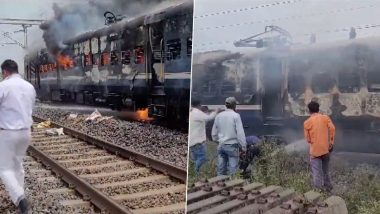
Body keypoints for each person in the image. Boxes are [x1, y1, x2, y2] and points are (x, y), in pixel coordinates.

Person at [0, 59, 36, 213]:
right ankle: (20, 198)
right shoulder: (29, 87)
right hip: (26, 132)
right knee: (17, 164)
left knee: (4, 168)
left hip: (9, 132)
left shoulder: (3, 86)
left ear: (5, 72)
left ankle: (21, 199)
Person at [304, 101, 335, 192]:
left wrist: (313, 141)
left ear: (309, 111)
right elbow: (332, 129)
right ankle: (328, 188)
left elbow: (308, 139)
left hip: (315, 152)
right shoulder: (325, 118)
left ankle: (318, 192)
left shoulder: (307, 122)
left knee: (317, 172)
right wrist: (331, 143)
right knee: (325, 170)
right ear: (318, 109)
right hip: (326, 150)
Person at [212, 97, 247, 176]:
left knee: (221, 170)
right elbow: (240, 133)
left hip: (221, 145)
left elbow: (214, 133)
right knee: (233, 171)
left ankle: (219, 186)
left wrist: (218, 141)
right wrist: (243, 147)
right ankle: (232, 186)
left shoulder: (219, 115)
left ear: (226, 105)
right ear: (234, 106)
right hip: (232, 146)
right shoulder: (236, 116)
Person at [189, 100, 219, 173]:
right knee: (202, 158)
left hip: (192, 141)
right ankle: (194, 172)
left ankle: (194, 174)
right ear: (199, 105)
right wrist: (216, 111)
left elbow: (204, 117)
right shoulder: (197, 113)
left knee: (195, 159)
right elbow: (209, 118)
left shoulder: (192, 112)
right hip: (198, 142)